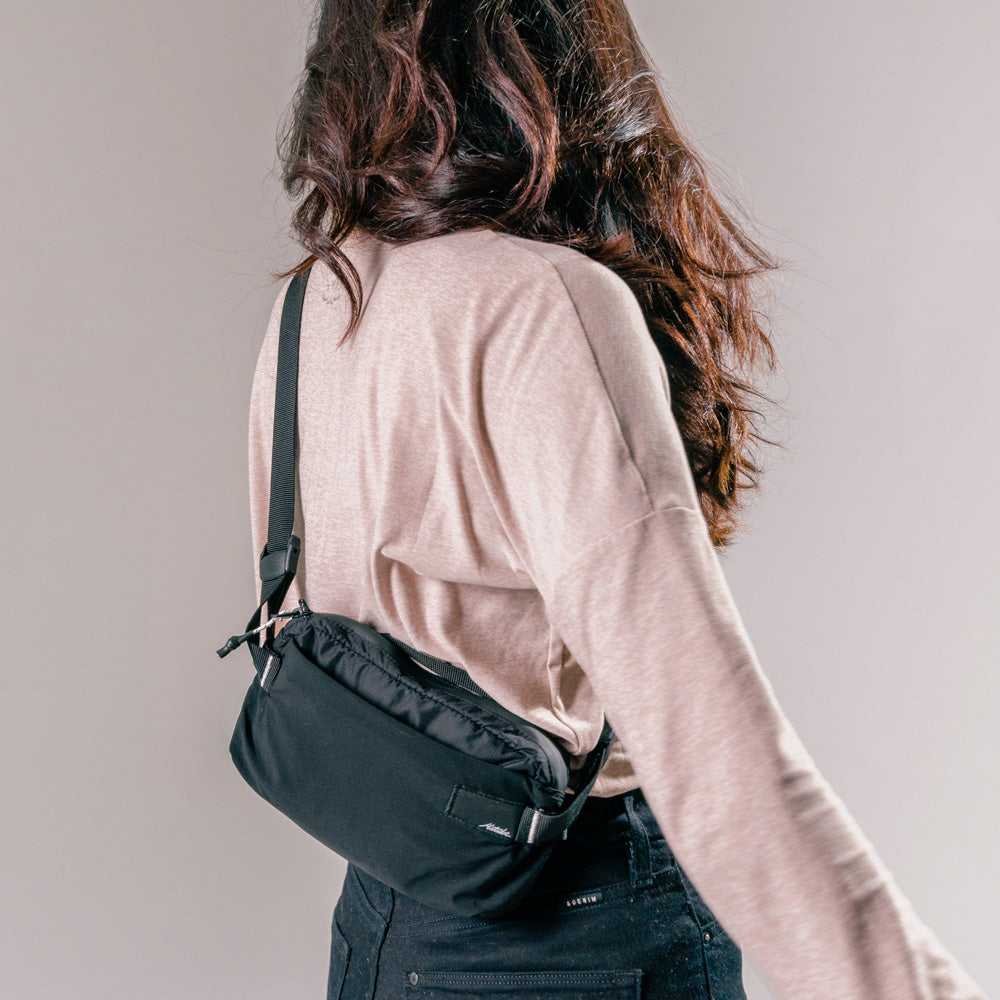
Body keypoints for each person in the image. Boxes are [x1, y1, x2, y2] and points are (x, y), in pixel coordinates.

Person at [245, 1, 986, 998]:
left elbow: (303, 619)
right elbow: (713, 760)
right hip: (585, 933)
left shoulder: (313, 301)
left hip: (381, 933)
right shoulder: (539, 304)